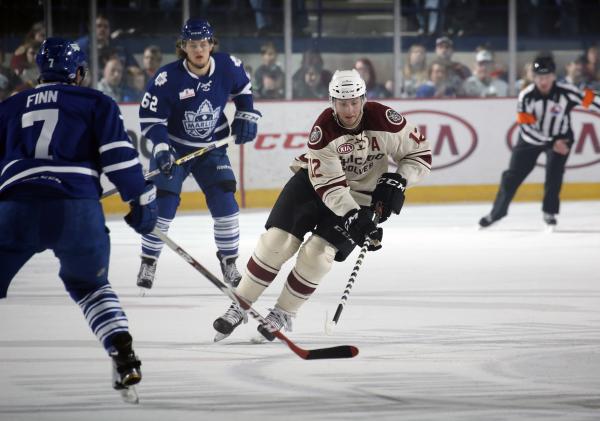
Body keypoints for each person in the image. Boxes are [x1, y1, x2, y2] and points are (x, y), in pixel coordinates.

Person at [212, 69, 431, 342]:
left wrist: (399, 179)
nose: (349, 110)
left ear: (363, 99)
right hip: (314, 185)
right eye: (342, 103)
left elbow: (419, 154)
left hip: (362, 196)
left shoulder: (386, 120)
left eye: (354, 102)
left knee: (317, 255)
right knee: (276, 242)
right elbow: (329, 186)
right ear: (332, 102)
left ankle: (282, 313)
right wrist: (353, 216)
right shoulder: (323, 131)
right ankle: (240, 304)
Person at [0, 38, 157, 399]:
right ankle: (123, 353)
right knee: (90, 287)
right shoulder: (96, 101)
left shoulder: (8, 108)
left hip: (15, 210)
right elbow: (119, 159)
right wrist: (142, 201)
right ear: (80, 72)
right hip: (77, 211)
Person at [136, 19, 260, 292]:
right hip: (174, 147)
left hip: (211, 147)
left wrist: (246, 113)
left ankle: (229, 262)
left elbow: (243, 89)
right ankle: (149, 260)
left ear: (211, 45)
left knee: (226, 202)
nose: (199, 50)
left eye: (203, 44)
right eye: (193, 45)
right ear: (183, 47)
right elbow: (150, 117)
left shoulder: (228, 66)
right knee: (164, 205)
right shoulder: (167, 77)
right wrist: (160, 147)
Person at [479, 56, 600, 229]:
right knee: (511, 177)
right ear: (533, 77)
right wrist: (550, 143)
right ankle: (496, 213)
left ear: (554, 76)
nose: (543, 81)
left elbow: (591, 98)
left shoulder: (566, 92)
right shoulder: (526, 96)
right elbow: (526, 130)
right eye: (539, 77)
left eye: (546, 76)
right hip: (531, 139)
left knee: (554, 173)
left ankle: (549, 211)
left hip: (561, 136)